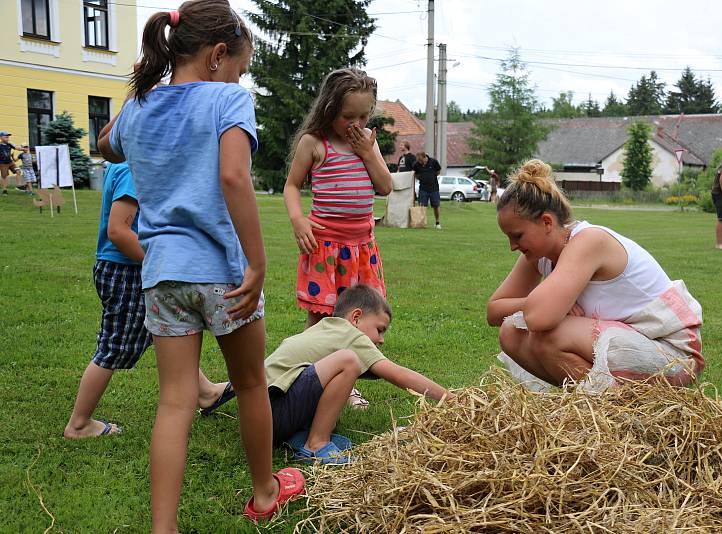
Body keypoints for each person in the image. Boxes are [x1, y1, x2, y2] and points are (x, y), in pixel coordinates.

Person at [98, 2, 303, 529]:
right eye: (239, 65)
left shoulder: (141, 106)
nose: (240, 76)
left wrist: (142, 95)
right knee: (252, 383)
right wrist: (257, 262)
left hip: (162, 273)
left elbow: (106, 145)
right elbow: (235, 179)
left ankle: (162, 528)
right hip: (222, 274)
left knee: (174, 403)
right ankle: (263, 494)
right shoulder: (228, 98)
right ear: (217, 55)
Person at [487, 159, 704, 391]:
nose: (512, 246)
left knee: (548, 335)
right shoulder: (538, 255)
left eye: (518, 236)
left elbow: (540, 318)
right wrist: (545, 305)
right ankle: (591, 405)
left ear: (547, 222)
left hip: (673, 355)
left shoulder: (589, 241)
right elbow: (494, 311)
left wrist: (546, 308)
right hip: (631, 345)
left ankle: (614, 411)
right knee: (511, 332)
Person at [63, 162, 232, 439]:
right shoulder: (133, 168)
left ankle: (205, 392)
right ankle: (79, 423)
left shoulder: (126, 163)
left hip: (128, 268)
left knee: (162, 330)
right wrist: (159, 261)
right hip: (126, 270)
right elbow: (118, 230)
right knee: (115, 346)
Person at [264, 285, 451, 463]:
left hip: (259, 413)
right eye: (380, 330)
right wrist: (451, 398)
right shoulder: (351, 334)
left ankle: (300, 434)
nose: (382, 340)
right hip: (275, 413)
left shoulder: (325, 327)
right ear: (356, 318)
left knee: (338, 374)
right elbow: (397, 374)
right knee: (349, 361)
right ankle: (316, 444)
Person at [283, 67, 392, 329]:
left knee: (366, 312)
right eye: (347, 116)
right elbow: (292, 186)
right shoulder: (314, 143)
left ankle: (358, 361)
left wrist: (367, 153)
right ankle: (309, 365)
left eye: (364, 116)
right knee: (322, 315)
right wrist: (298, 219)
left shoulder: (368, 141)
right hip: (325, 245)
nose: (357, 124)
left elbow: (386, 186)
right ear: (329, 109)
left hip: (362, 246)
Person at [413, 151, 442, 229]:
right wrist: (421, 178)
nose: (420, 162)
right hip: (423, 188)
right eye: (418, 161)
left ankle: (437, 222)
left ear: (425, 157)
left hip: (434, 188)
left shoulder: (433, 162)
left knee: (436, 206)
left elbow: (438, 171)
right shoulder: (416, 164)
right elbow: (415, 174)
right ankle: (421, 223)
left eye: (421, 160)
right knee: (422, 206)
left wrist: (431, 176)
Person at [0, 131, 17, 195]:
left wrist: (23, 149)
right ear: (1, 137)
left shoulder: (9, 144)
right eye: (6, 137)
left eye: (8, 137)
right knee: (4, 177)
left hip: (10, 162)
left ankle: (19, 185)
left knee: (18, 171)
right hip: (3, 163)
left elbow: (16, 148)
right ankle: (4, 190)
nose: (8, 138)